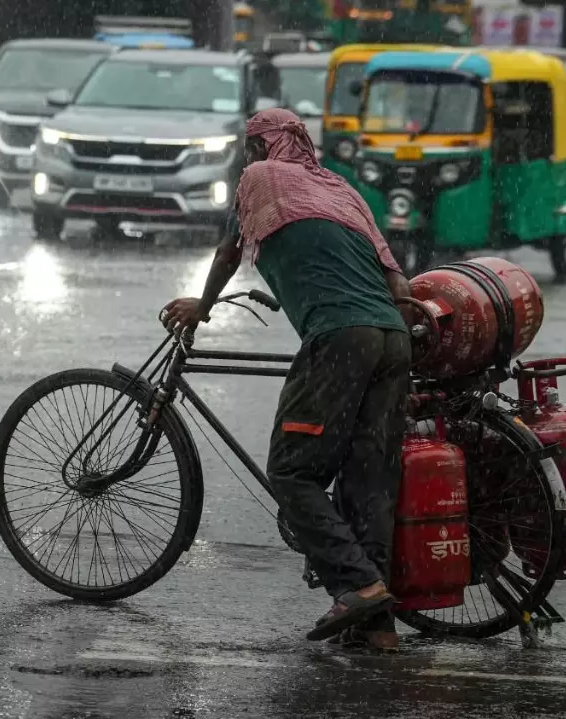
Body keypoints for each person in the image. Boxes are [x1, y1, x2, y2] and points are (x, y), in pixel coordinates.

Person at [162, 108, 413, 651]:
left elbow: (231, 249)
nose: (247, 158)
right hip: (393, 337)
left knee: (292, 472)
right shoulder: (340, 189)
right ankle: (378, 629)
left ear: (260, 148)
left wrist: (201, 308)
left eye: (250, 148)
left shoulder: (262, 180)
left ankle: (360, 585)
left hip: (341, 336)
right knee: (368, 480)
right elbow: (395, 276)